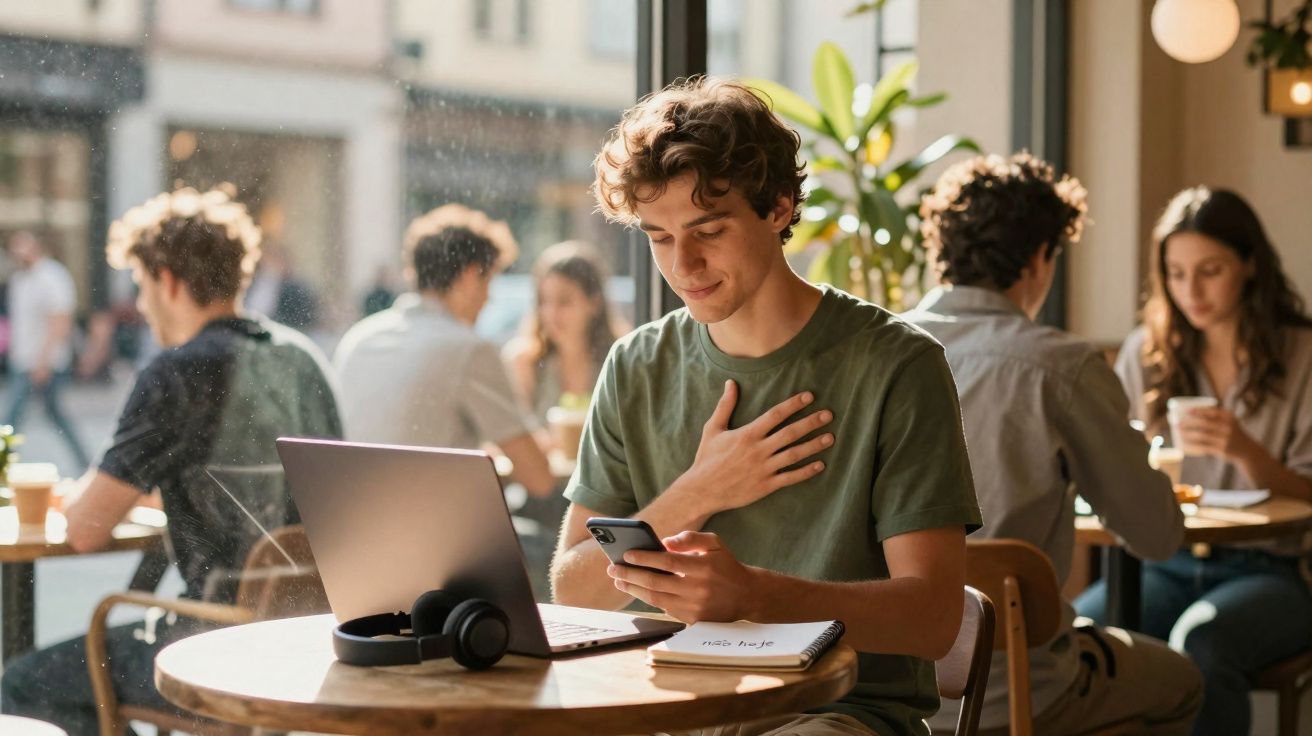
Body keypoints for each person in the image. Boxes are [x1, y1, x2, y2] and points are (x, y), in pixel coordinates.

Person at [549, 77, 982, 736]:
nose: (684, 264)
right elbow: (572, 589)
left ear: (779, 208)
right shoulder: (636, 365)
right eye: (659, 237)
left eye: (709, 230)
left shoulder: (896, 364)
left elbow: (933, 619)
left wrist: (754, 595)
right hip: (664, 708)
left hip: (832, 715)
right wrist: (699, 490)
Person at [0, 186, 343, 735]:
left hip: (217, 641)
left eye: (140, 285)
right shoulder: (302, 359)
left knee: (21, 684)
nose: (140, 305)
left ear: (168, 281)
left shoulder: (180, 372)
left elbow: (85, 529)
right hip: (306, 639)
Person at [902, 153, 1202, 734]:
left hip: (885, 692)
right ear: (1040, 257)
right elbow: (1156, 535)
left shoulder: (875, 347)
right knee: (1181, 683)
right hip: (1012, 693)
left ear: (942, 248)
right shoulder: (1059, 367)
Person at [1075, 187, 1312, 736]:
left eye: (1210, 271)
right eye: (1176, 274)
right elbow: (1113, 472)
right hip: (1164, 562)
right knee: (1081, 637)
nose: (1191, 291)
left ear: (1250, 265)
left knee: (1203, 643)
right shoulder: (1146, 352)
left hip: (1270, 570)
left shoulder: (1301, 354)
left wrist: (1243, 450)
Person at [333, 204, 556, 498]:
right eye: (489, 281)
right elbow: (539, 479)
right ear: (470, 276)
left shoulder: (358, 339)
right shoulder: (469, 349)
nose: (489, 297)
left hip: (356, 519)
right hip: (432, 521)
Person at [502, 240, 625, 424]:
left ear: (594, 302)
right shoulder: (525, 362)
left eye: (564, 301)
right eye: (544, 301)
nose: (552, 314)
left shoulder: (619, 360)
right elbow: (512, 433)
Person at [3, 230, 90, 468]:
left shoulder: (52, 276)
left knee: (10, 419)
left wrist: (44, 361)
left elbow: (60, 321)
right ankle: (86, 462)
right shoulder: (19, 280)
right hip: (22, 360)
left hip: (43, 363)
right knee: (54, 414)